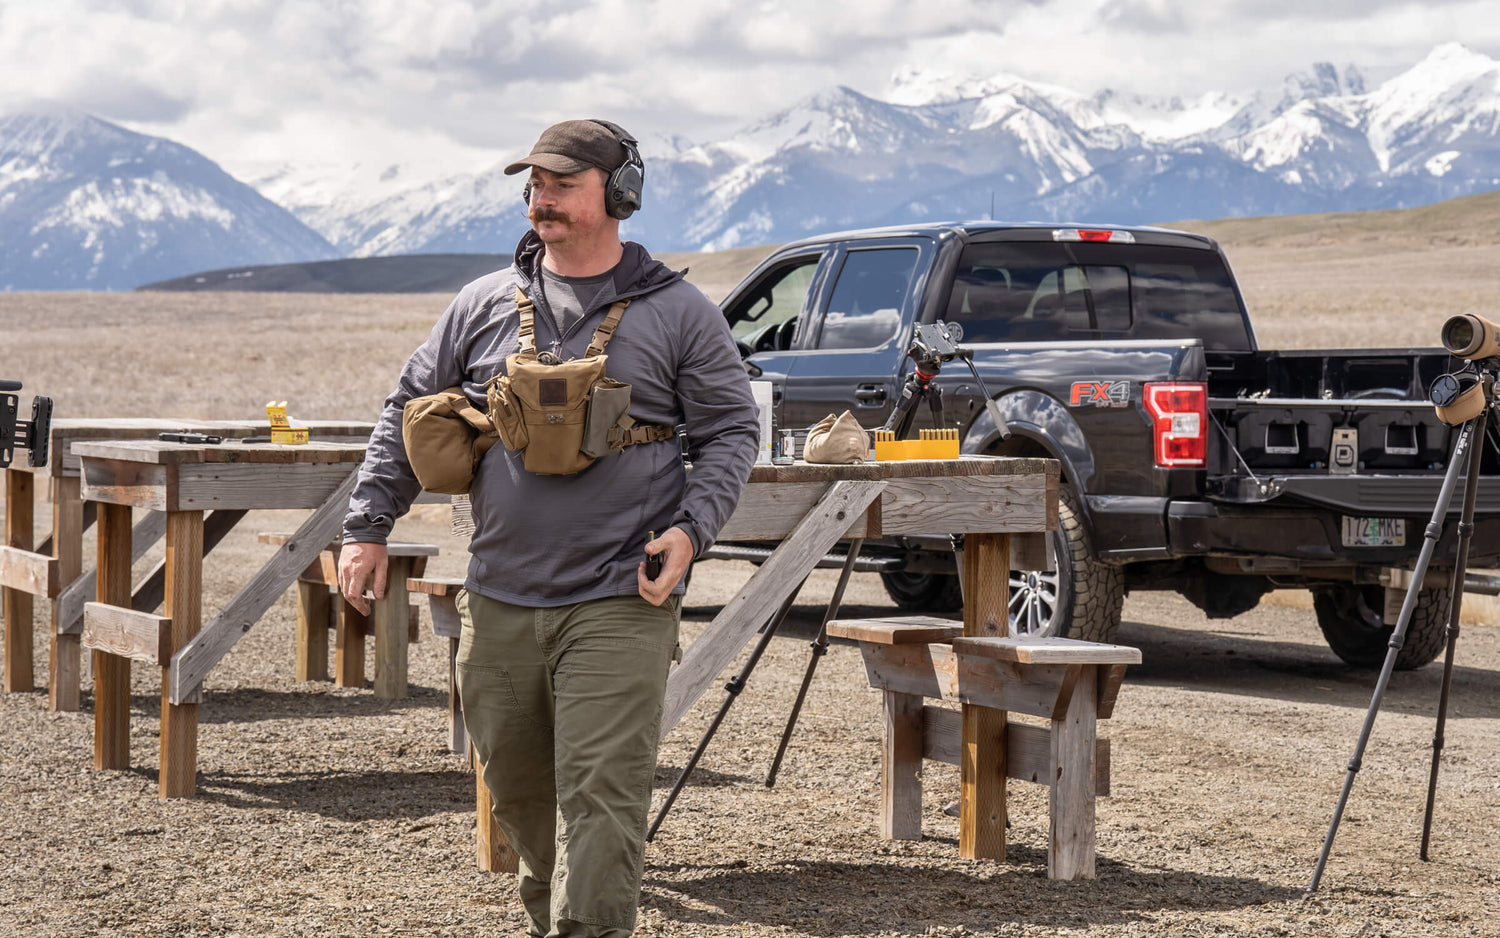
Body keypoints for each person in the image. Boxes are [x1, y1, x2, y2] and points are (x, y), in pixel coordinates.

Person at [336, 118, 760, 937]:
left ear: (620, 193)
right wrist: (367, 527)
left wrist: (690, 531)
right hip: (498, 595)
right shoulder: (482, 303)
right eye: (535, 186)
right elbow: (406, 410)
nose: (542, 200)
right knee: (521, 792)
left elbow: (731, 432)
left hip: (619, 596)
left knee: (601, 792)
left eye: (563, 184)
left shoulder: (681, 313)